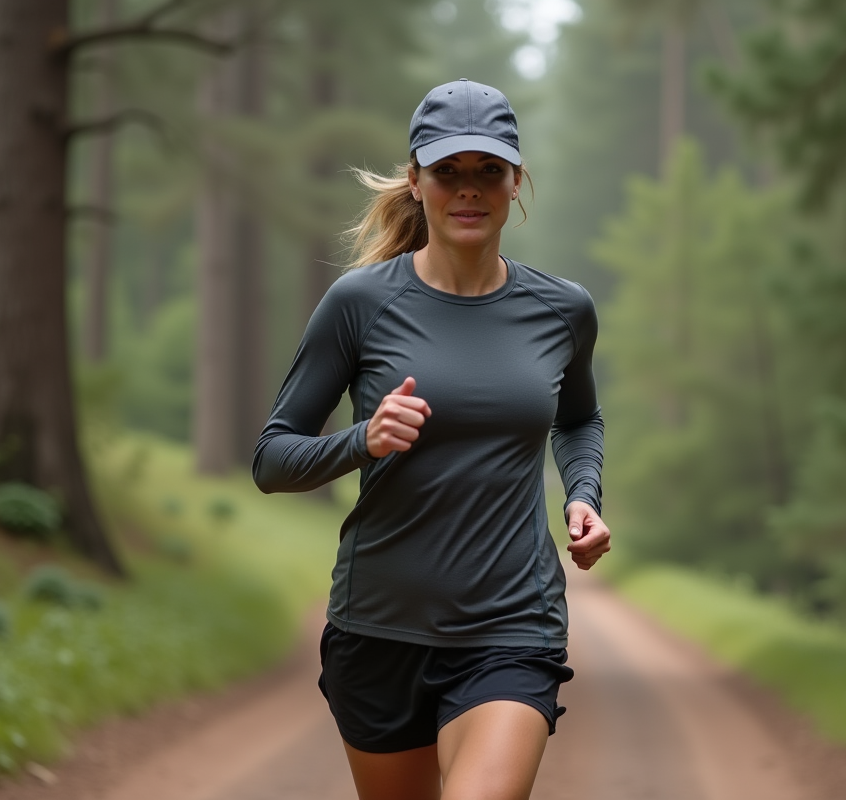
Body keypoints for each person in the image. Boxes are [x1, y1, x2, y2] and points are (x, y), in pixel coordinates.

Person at [253, 78, 610, 800]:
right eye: (448, 172)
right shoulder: (360, 304)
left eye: (489, 172)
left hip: (513, 627)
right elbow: (272, 457)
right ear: (415, 181)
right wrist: (363, 440)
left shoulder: (563, 311)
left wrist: (583, 494)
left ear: (516, 182)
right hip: (378, 631)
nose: (469, 190)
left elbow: (577, 419)